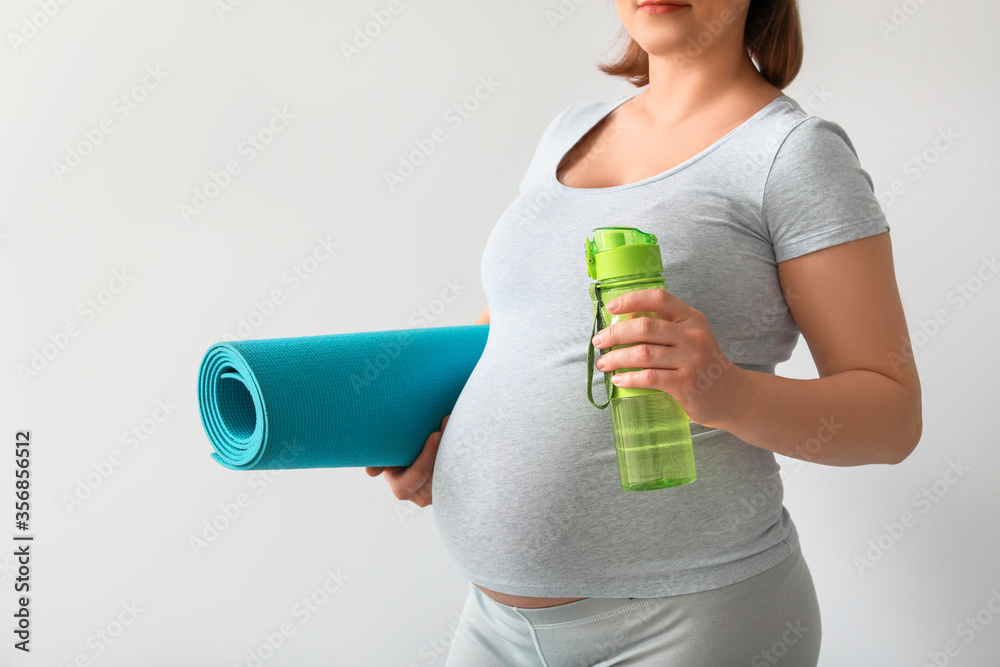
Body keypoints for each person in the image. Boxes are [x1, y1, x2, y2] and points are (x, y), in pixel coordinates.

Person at [368, 0, 922, 663]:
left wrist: (731, 394)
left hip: (690, 624)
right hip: (495, 624)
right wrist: (439, 438)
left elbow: (893, 414)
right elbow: (511, 338)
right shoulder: (567, 133)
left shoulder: (792, 154)